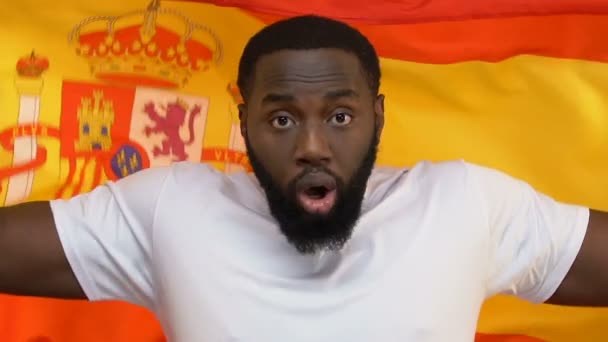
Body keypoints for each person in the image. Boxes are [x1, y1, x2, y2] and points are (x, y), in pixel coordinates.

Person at [0, 14, 606, 341]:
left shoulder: (464, 202)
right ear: (245, 120)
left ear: (378, 116)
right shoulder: (172, 209)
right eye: (282, 117)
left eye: (340, 116)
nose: (312, 146)